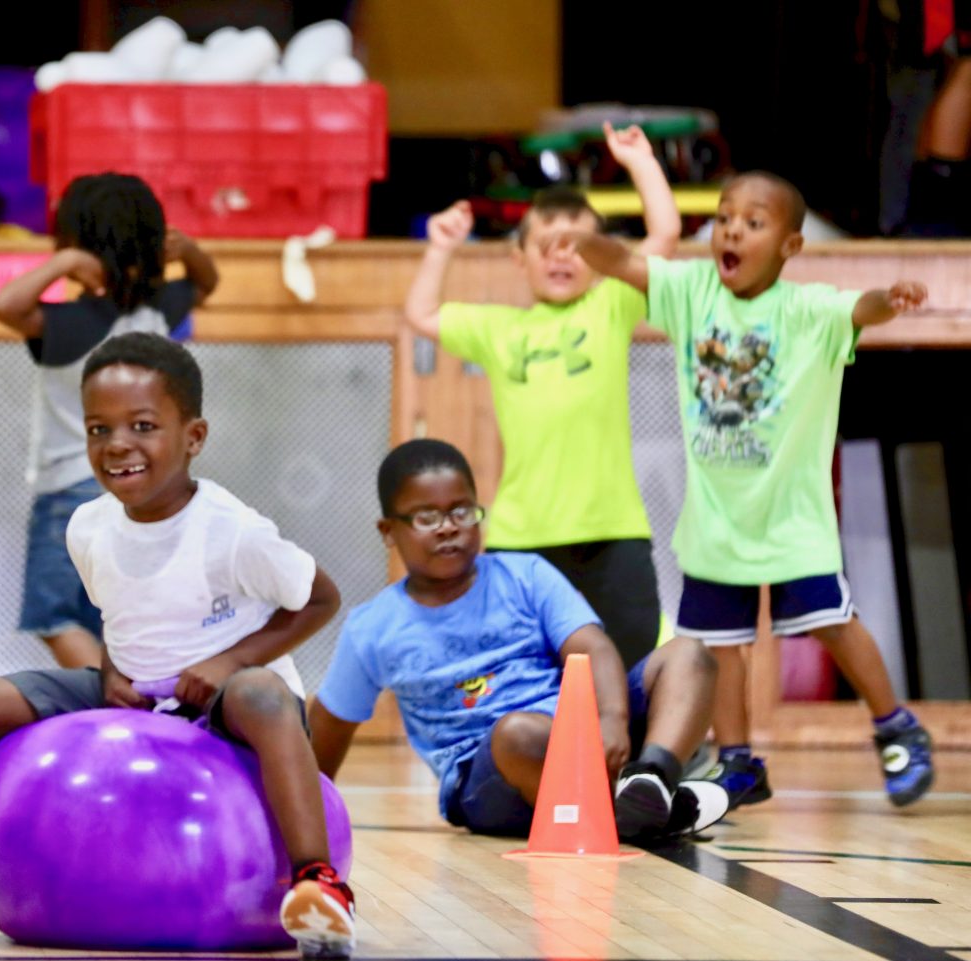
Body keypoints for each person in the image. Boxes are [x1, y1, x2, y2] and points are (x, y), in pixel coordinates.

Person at [0, 333, 356, 960]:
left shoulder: (234, 531)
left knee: (262, 693)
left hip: (232, 702)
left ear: (193, 437)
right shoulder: (88, 526)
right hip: (141, 697)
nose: (118, 445)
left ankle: (318, 881)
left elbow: (322, 598)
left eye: (143, 426)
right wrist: (112, 670)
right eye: (99, 429)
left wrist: (229, 661)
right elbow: (122, 615)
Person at [539, 170, 935, 807]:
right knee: (721, 645)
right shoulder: (692, 289)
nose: (732, 230)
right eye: (725, 218)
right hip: (717, 520)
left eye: (754, 223)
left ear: (789, 247)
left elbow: (861, 309)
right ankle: (741, 760)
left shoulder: (807, 309)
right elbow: (626, 264)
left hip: (790, 518)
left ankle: (897, 726)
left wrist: (892, 298)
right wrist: (584, 243)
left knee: (833, 622)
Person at [308, 439, 727, 841]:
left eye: (461, 511)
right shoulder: (373, 627)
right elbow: (330, 726)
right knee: (515, 734)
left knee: (689, 654)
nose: (448, 528)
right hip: (490, 781)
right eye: (426, 518)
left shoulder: (525, 574)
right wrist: (307, 818)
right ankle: (632, 817)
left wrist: (613, 719)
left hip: (585, 740)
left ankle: (649, 782)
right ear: (387, 530)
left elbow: (591, 647)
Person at [403, 122, 682, 671]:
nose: (562, 257)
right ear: (519, 258)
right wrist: (440, 249)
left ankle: (638, 759)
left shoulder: (611, 305)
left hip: (614, 531)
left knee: (631, 669)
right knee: (524, 671)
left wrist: (641, 162)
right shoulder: (500, 329)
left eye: (578, 246)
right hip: (521, 537)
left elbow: (665, 234)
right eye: (547, 246)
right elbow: (422, 314)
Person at [0, 173, 218, 670]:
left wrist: (65, 263)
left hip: (71, 490)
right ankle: (128, 701)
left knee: (54, 616)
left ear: (73, 241)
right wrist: (190, 251)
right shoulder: (160, 311)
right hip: (149, 491)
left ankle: (119, 706)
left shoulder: (68, 325)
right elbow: (207, 283)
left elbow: (4, 305)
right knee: (116, 616)